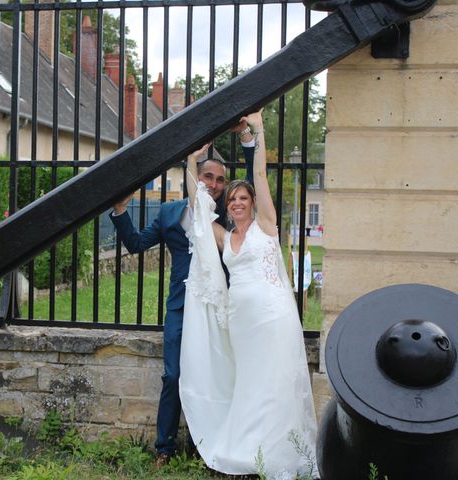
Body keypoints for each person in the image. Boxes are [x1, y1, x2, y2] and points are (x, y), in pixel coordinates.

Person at [180, 111, 319, 479]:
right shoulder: (225, 237)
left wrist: (257, 131)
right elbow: (197, 209)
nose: (238, 203)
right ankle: (249, 450)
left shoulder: (266, 226)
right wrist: (192, 162)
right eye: (233, 200)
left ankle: (278, 455)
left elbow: (260, 175)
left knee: (274, 382)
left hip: (273, 317)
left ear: (253, 202)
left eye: (244, 198)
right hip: (241, 322)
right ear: (228, 206)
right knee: (251, 382)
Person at [109, 131, 255, 467]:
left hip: (220, 308)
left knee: (221, 374)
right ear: (196, 176)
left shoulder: (229, 213)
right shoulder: (169, 213)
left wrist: (249, 143)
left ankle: (215, 445)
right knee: (173, 375)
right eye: (208, 176)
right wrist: (120, 212)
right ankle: (164, 447)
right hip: (180, 308)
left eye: (220, 180)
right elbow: (136, 244)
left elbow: (250, 187)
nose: (216, 184)